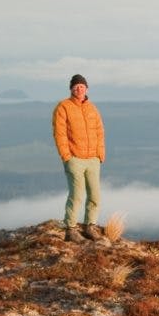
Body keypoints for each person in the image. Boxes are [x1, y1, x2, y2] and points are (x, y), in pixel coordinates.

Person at [52, 74, 106, 241]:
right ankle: (71, 229)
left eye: (82, 86)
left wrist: (100, 154)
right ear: (71, 89)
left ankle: (90, 226)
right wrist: (66, 156)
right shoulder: (63, 107)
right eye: (76, 87)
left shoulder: (92, 108)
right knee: (77, 194)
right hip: (74, 158)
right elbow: (59, 134)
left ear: (87, 88)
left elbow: (99, 131)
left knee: (95, 195)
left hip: (93, 159)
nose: (79, 89)